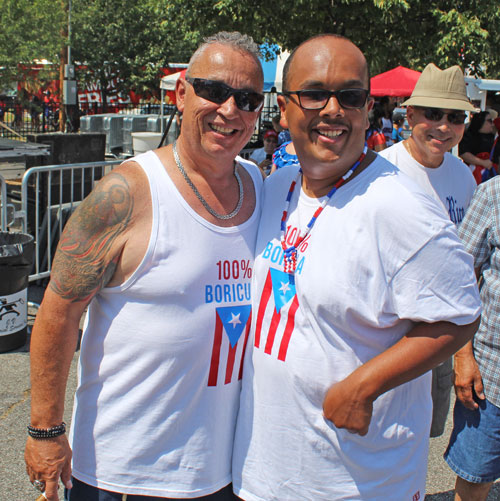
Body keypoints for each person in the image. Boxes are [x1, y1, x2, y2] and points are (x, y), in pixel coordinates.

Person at [232, 34, 481, 500]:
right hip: (264, 471)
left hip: (357, 482)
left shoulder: (402, 206)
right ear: (284, 109)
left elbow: (460, 312)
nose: (332, 110)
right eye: (313, 94)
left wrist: (364, 386)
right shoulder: (278, 185)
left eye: (350, 96)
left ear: (367, 109)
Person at [25, 31, 265, 501]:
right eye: (214, 91)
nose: (230, 110)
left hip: (222, 471)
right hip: (123, 474)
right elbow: (59, 309)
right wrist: (45, 432)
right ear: (181, 94)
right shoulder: (127, 193)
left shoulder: (259, 184)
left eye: (248, 98)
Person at [380, 63, 478, 438]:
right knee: (378, 430)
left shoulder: (462, 175)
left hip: (439, 329)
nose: (444, 126)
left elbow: (468, 260)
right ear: (410, 113)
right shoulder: (382, 169)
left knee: (422, 433)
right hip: (388, 328)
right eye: (433, 114)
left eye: (455, 117)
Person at [444, 176, 500, 500]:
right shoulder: (493, 193)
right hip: (492, 372)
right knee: (476, 477)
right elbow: (460, 276)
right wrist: (463, 356)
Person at [460, 110, 499, 184]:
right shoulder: (469, 136)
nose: (492, 124)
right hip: (472, 176)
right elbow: (463, 153)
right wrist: (483, 162)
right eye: (490, 121)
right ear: (481, 122)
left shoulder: (493, 138)